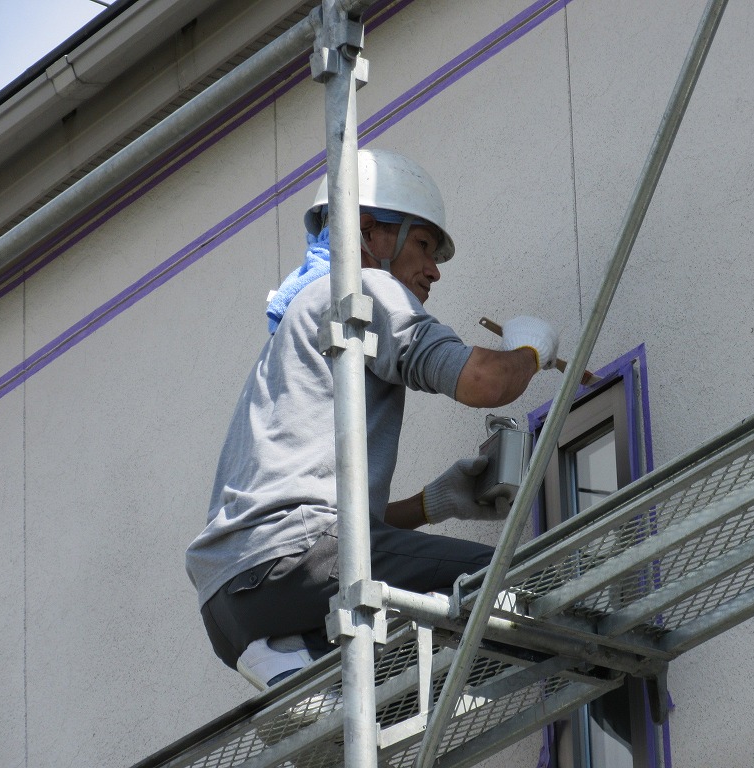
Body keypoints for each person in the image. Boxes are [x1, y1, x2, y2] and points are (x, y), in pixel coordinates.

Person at [185, 149, 559, 690]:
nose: (433, 270)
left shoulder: (293, 336)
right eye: (424, 245)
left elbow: (322, 517)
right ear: (368, 233)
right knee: (524, 586)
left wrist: (429, 506)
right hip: (300, 561)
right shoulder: (362, 294)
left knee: (383, 686)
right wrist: (530, 351)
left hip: (233, 603)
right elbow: (484, 383)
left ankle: (287, 657)